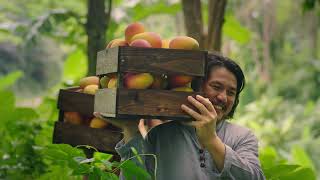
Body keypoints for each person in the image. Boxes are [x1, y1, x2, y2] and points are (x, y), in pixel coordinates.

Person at [94, 53, 266, 180]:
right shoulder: (161, 135)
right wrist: (130, 129)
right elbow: (135, 177)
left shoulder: (243, 137)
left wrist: (211, 140)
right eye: (216, 86)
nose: (223, 97)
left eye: (231, 92)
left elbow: (255, 177)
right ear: (196, 86)